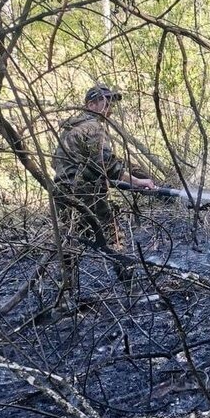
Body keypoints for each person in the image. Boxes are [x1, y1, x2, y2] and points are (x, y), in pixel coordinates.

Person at [53, 83, 155, 287]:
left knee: (69, 240)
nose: (110, 108)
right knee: (113, 234)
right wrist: (137, 181)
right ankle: (130, 285)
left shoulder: (69, 130)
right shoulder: (94, 127)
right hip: (86, 192)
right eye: (106, 102)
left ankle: (66, 291)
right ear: (91, 104)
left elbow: (57, 162)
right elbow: (107, 164)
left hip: (62, 192)